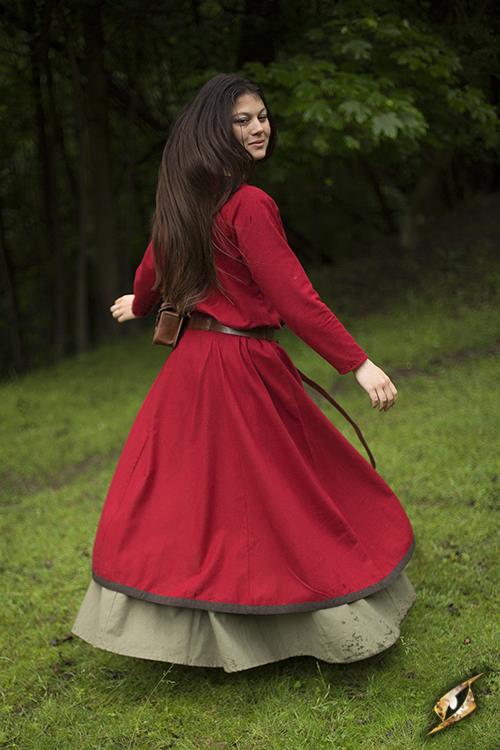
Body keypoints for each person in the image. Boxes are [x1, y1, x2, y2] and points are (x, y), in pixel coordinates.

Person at [71, 73, 416, 673]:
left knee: (199, 502)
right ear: (216, 130)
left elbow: (154, 265)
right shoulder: (247, 204)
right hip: (239, 367)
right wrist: (357, 364)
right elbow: (294, 296)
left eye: (262, 117)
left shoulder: (187, 199)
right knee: (283, 494)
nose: (259, 128)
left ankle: (211, 629)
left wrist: (141, 301)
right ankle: (300, 614)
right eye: (243, 120)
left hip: (192, 368)